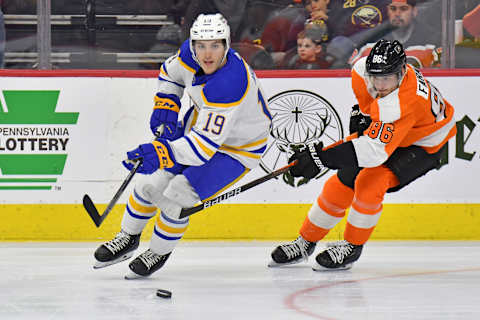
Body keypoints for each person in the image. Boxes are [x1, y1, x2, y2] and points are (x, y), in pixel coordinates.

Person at [93, 13, 272, 278]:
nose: (207, 54)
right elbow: (170, 73)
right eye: (201, 45)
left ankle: (158, 251)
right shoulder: (188, 55)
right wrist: (167, 102)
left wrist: (160, 152)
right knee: (149, 182)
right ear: (192, 44)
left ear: (227, 44)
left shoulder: (230, 83)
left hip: (237, 149)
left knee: (179, 196)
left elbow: (203, 148)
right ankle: (128, 238)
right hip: (199, 129)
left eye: (215, 45)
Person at [268, 39, 456, 271]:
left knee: (370, 182)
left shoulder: (402, 103)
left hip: (424, 143)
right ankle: (305, 241)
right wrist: (361, 118)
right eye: (375, 77)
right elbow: (369, 117)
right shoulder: (361, 71)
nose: (380, 84)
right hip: (396, 130)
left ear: (402, 72)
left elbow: (373, 152)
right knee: (341, 183)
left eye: (386, 78)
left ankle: (352, 247)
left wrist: (320, 158)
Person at [350, 0, 442, 68]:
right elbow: (355, 72)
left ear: (414, 11)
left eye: (403, 9)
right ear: (387, 11)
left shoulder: (433, 39)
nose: (397, 13)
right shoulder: (370, 41)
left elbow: (441, 75)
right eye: (393, 9)